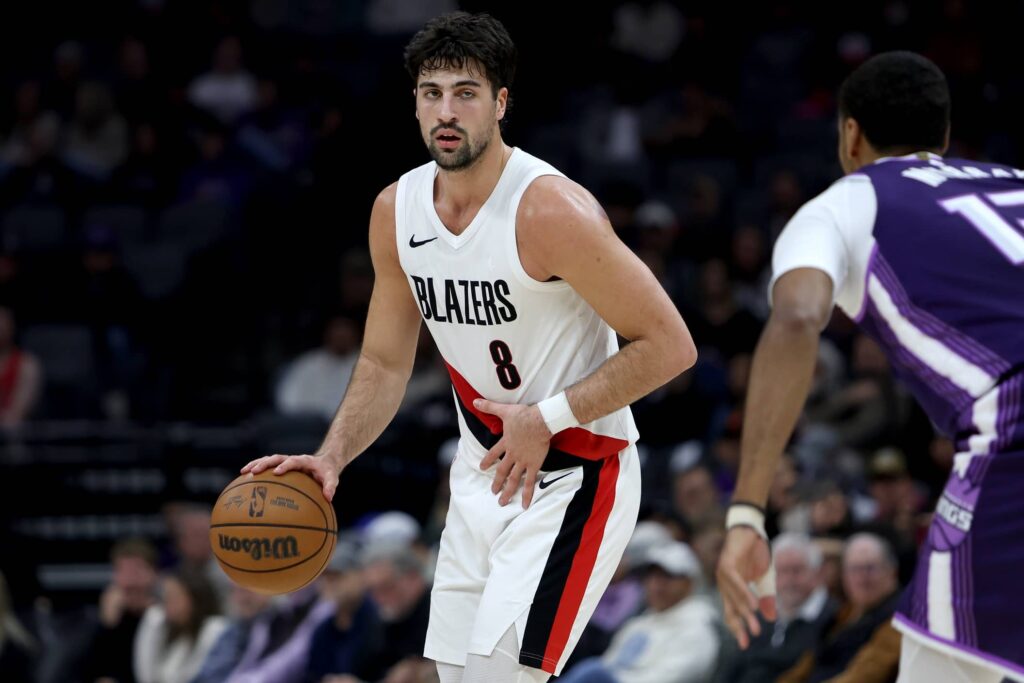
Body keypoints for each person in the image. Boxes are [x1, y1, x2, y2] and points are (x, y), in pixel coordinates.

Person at [242, 11, 696, 682]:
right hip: (480, 473)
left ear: (500, 104)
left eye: (466, 92)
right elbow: (384, 360)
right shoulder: (396, 211)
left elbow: (670, 345)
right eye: (432, 93)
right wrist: (331, 456)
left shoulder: (550, 211)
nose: (446, 111)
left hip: (575, 472)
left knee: (499, 674)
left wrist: (544, 419)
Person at [716, 51, 1024, 683]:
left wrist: (747, 511)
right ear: (944, 136)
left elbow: (799, 317)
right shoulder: (1015, 181)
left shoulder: (843, 204)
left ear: (849, 135)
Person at [558, 541, 720, 683]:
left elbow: (677, 676)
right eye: (652, 576)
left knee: (592, 673)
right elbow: (609, 663)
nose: (657, 584)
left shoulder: (698, 625)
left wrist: (613, 679)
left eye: (668, 576)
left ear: (689, 583)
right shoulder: (641, 622)